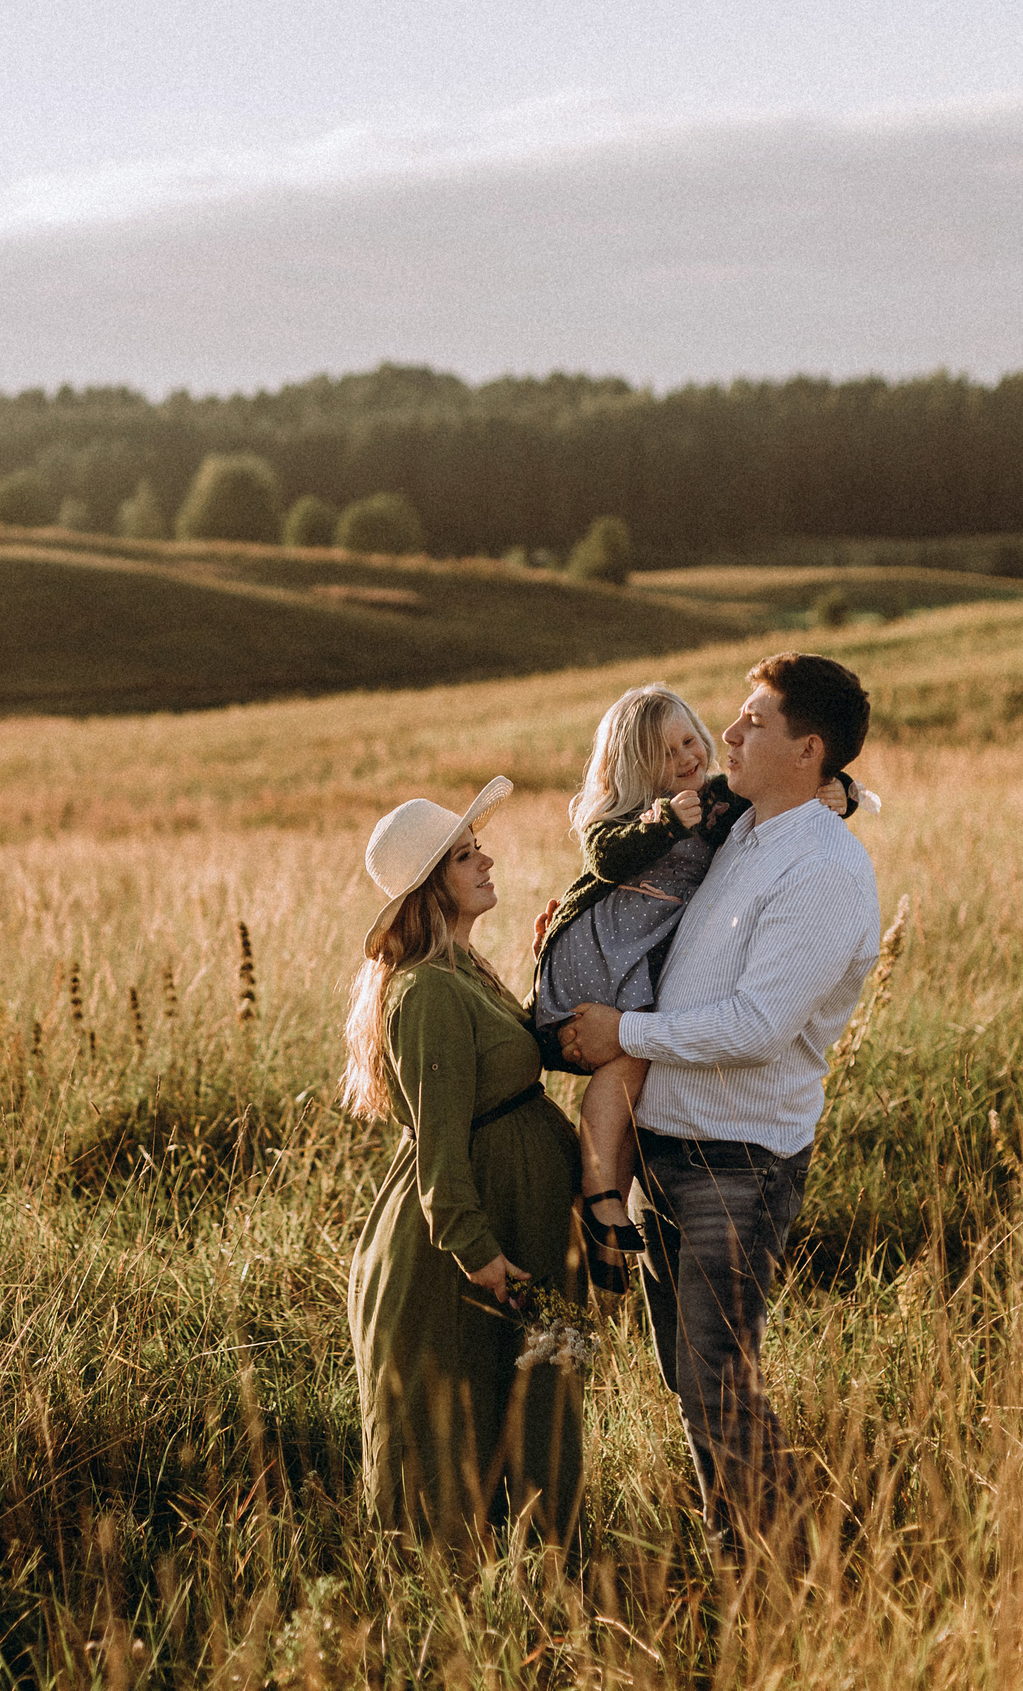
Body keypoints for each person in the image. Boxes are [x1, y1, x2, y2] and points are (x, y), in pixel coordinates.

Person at [557, 653, 881, 1556]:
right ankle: (735, 1542)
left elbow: (758, 1025)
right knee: (689, 1371)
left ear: (807, 749)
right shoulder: (746, 831)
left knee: (715, 1379)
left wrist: (627, 1029)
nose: (728, 735)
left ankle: (772, 1570)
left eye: (752, 723)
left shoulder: (821, 868)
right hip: (672, 1151)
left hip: (734, 1162)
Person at [530, 685, 857, 1291]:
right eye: (664, 751)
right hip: (608, 958)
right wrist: (658, 822)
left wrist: (841, 791)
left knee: (634, 1068)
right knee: (626, 1060)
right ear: (632, 767)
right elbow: (603, 857)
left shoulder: (718, 801)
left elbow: (783, 795)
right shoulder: (627, 816)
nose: (685, 757)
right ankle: (601, 1196)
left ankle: (607, 1214)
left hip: (648, 961)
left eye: (689, 740)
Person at [342, 776, 586, 1554]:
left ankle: (552, 1577)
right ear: (428, 890)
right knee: (456, 1460)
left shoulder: (467, 972)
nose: (486, 861)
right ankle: (460, 1629)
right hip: (465, 1261)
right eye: (463, 855)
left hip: (523, 1233)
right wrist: (486, 1261)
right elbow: (441, 1151)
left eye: (478, 847)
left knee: (547, 1405)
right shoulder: (428, 993)